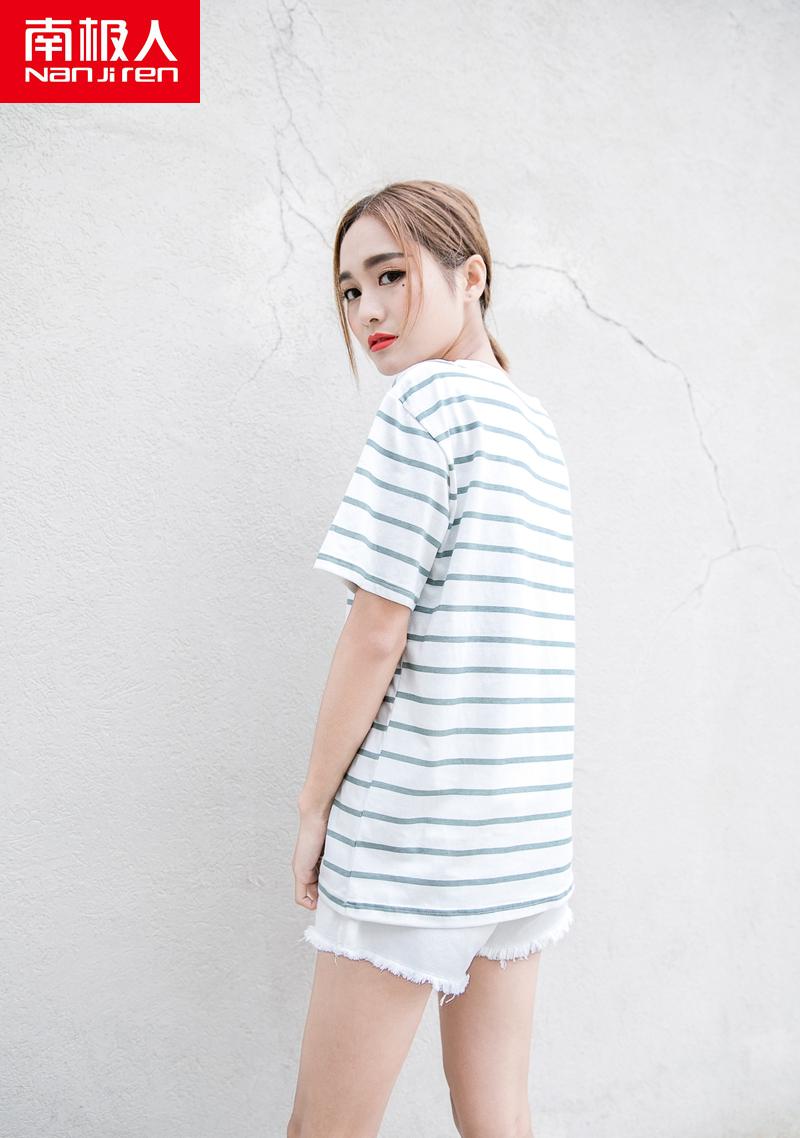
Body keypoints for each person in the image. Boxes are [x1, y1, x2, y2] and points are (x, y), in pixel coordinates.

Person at [288, 180, 576, 1138]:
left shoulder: (423, 405)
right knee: (499, 1117)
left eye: (390, 275)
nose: (367, 310)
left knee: (323, 1129)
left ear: (472, 277)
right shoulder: (534, 428)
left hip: (417, 841)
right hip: (522, 847)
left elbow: (379, 631)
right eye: (349, 290)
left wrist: (314, 805)